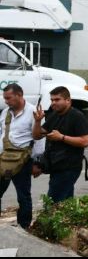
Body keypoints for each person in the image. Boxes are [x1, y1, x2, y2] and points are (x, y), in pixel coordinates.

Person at [32, 86, 88, 203]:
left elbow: (85, 141)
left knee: (52, 203)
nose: (53, 103)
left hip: (69, 167)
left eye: (57, 99)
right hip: (56, 166)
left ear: (68, 100)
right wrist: (37, 121)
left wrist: (62, 137)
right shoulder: (55, 115)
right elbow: (37, 136)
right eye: (52, 100)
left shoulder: (77, 116)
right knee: (66, 204)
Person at [0, 84, 45, 229]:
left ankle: (24, 227)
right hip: (3, 159)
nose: (6, 101)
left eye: (8, 98)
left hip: (23, 161)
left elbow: (40, 139)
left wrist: (37, 162)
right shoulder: (5, 112)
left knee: (23, 196)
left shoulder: (34, 112)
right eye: (5, 98)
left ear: (19, 95)